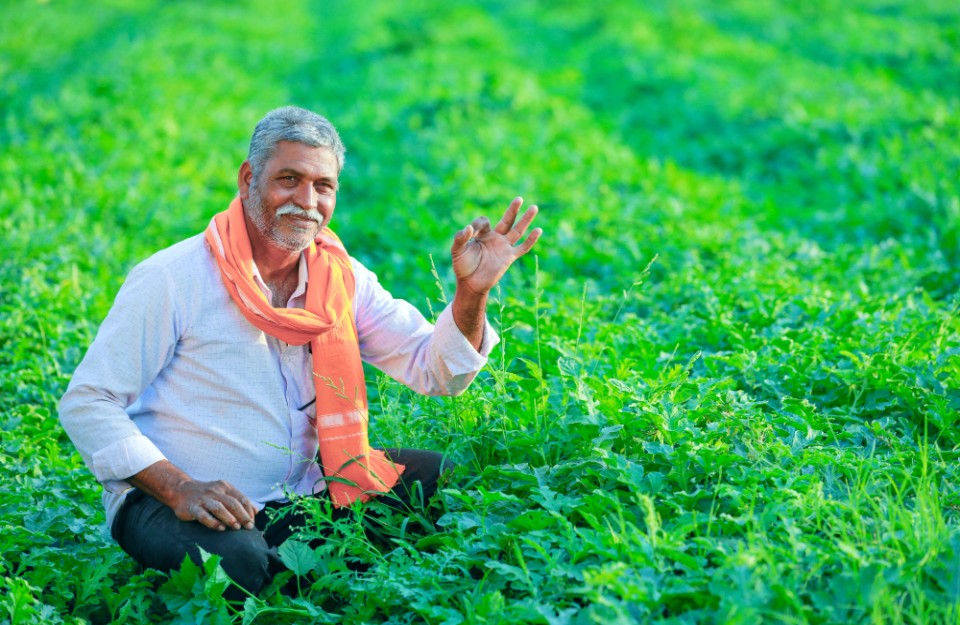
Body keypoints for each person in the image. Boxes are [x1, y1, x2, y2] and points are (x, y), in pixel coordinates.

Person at [58, 106, 541, 593]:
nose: (307, 201)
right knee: (240, 566)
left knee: (443, 480)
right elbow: (88, 402)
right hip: (182, 501)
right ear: (248, 179)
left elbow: (436, 374)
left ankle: (317, 568)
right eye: (289, 179)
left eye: (323, 186)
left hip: (307, 493)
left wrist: (471, 295)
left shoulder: (339, 277)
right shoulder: (174, 277)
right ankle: (315, 571)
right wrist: (179, 487)